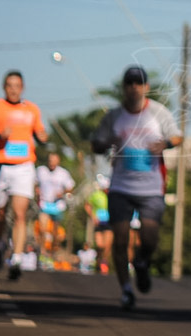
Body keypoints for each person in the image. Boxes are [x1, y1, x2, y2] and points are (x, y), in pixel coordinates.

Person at [91, 65, 181, 309]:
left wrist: (166, 144)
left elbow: (177, 136)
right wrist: (107, 141)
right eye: (130, 83)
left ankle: (142, 263)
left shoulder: (158, 113)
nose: (134, 87)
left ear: (146, 88)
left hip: (151, 188)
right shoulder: (113, 116)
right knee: (120, 241)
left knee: (149, 238)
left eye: (138, 83)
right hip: (120, 187)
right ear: (124, 87)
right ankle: (126, 290)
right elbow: (96, 144)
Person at [0, 70, 48, 279]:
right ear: (4, 87)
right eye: (10, 85)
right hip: (0, 165)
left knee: (20, 213)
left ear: (22, 88)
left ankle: (16, 258)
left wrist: (43, 137)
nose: (13, 90)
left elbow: (40, 133)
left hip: (24, 166)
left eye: (17, 86)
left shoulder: (32, 110)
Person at [35, 151, 75, 259]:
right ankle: (43, 252)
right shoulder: (41, 171)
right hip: (44, 204)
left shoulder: (63, 173)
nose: (51, 163)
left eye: (54, 160)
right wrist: (37, 190)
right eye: (50, 160)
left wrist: (62, 193)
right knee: (43, 229)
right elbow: (34, 183)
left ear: (58, 161)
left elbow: (70, 187)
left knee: (55, 233)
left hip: (58, 206)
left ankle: (52, 252)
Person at [85, 174, 112, 274]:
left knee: (107, 245)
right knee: (100, 244)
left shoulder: (113, 196)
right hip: (99, 224)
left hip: (109, 223)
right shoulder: (96, 195)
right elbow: (87, 205)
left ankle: (104, 262)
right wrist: (93, 216)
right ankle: (98, 258)